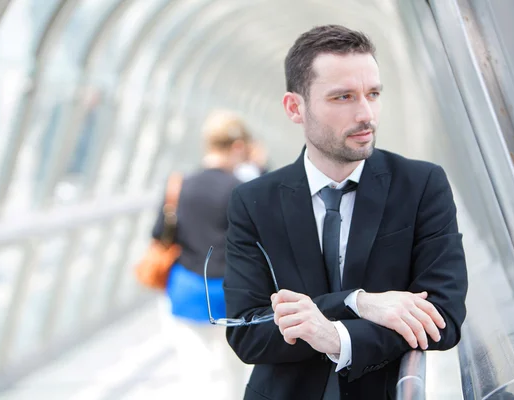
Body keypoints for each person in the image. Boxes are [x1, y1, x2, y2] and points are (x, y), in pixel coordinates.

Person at [223, 25, 468, 399]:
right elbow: (247, 331)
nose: (365, 113)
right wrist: (358, 302)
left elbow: (443, 319)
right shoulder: (254, 201)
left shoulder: (421, 185)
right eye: (343, 97)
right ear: (295, 107)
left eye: (373, 94)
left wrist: (336, 336)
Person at [152, 109, 253, 400]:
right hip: (229, 294)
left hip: (187, 288)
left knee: (194, 370)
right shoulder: (241, 190)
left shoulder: (180, 184)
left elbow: (160, 232)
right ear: (237, 146)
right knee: (232, 371)